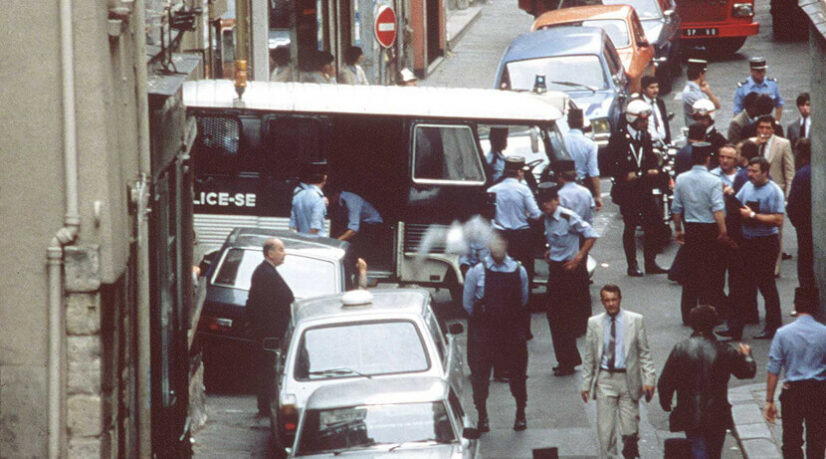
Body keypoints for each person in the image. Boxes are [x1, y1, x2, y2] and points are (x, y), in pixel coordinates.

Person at [658, 305, 756, 459]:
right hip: (717, 413)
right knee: (713, 451)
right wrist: (747, 356)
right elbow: (746, 372)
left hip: (689, 410)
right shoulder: (724, 350)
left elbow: (666, 380)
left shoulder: (680, 349)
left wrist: (666, 401)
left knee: (696, 445)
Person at [462, 235, 530, 432]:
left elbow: (523, 300)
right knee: (480, 376)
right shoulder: (477, 272)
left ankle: (520, 413)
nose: (498, 248)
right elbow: (467, 304)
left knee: (518, 374)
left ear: (506, 245)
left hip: (511, 331)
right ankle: (482, 415)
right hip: (486, 332)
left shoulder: (519, 271)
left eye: (502, 243)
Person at [581, 284, 656, 459]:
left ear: (620, 299)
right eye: (607, 300)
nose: (611, 304)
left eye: (614, 299)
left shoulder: (635, 320)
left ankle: (630, 453)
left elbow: (645, 353)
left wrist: (650, 380)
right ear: (602, 302)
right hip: (605, 380)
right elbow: (589, 356)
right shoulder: (594, 323)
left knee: (630, 431)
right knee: (605, 432)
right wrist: (586, 383)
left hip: (628, 379)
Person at [540, 182, 598, 376]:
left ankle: (568, 361)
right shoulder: (546, 219)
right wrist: (550, 251)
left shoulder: (568, 216)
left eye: (548, 202)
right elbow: (554, 240)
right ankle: (566, 359)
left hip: (570, 270)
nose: (545, 206)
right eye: (542, 203)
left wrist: (579, 258)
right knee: (554, 316)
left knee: (564, 316)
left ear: (556, 200)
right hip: (556, 269)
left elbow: (591, 235)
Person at [607, 99, 668, 276]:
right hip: (627, 191)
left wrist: (653, 170)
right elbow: (615, 166)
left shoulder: (645, 136)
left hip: (643, 188)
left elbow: (648, 158)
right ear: (633, 120)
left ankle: (650, 261)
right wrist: (630, 174)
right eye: (642, 119)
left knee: (654, 223)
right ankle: (632, 264)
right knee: (630, 226)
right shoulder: (618, 138)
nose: (645, 122)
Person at [671, 142, 729, 325]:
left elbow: (676, 207)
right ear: (707, 159)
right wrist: (723, 231)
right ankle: (709, 314)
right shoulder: (714, 181)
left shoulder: (681, 179)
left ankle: (687, 314)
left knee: (691, 274)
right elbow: (717, 209)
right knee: (711, 274)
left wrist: (678, 229)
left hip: (692, 229)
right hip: (710, 229)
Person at [763, 294, 826, 459]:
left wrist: (769, 400)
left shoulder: (783, 333)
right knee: (817, 439)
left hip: (793, 392)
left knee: (791, 439)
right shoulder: (824, 332)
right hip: (818, 391)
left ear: (795, 308)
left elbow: (773, 368)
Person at [735, 156, 785, 339]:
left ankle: (773, 325)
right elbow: (737, 202)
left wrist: (754, 216)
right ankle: (738, 325)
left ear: (765, 172)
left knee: (766, 285)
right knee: (743, 284)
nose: (750, 175)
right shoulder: (747, 186)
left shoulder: (774, 191)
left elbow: (778, 219)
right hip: (748, 241)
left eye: (755, 171)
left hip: (765, 243)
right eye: (749, 170)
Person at [245, 238, 295, 415]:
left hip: (269, 330)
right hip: (269, 332)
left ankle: (265, 405)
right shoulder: (265, 273)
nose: (284, 253)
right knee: (267, 369)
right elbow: (284, 298)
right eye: (281, 249)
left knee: (268, 368)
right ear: (270, 253)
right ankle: (265, 406)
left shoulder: (266, 271)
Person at [488, 156, 543, 286]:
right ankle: (525, 301)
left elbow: (488, 216)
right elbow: (536, 215)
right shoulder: (523, 189)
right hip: (521, 237)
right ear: (519, 172)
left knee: (499, 272)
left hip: (500, 236)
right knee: (525, 272)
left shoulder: (492, 190)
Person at [751, 114, 794, 275]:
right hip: (755, 192)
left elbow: (790, 173)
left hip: (776, 192)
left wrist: (787, 197)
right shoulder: (753, 143)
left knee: (776, 232)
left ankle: (774, 267)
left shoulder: (783, 144)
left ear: (773, 129)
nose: (764, 131)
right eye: (761, 128)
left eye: (767, 128)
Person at [786, 138, 815, 314]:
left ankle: (806, 304)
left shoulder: (802, 175)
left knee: (805, 266)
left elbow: (793, 206)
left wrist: (800, 224)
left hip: (805, 228)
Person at [564, 108, 603, 208]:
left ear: (568, 122)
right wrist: (598, 196)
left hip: (563, 186)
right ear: (582, 123)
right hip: (583, 185)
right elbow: (593, 171)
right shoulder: (589, 144)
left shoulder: (561, 142)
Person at [330, 189, 383, 261]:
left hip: (372, 224)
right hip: (361, 223)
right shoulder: (341, 200)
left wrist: (336, 242)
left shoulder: (351, 201)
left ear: (335, 195)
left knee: (358, 251)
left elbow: (353, 230)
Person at [681, 59, 721, 127]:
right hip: (696, 130)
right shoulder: (690, 92)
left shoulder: (699, 89)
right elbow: (713, 107)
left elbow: (717, 105)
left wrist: (708, 92)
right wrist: (708, 93)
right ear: (700, 74)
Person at [556, 159, 595, 225]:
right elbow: (592, 208)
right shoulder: (586, 191)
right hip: (587, 228)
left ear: (560, 176)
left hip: (570, 232)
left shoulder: (560, 194)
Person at [690, 99, 728, 167]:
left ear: (710, 119)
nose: (699, 122)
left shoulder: (719, 140)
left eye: (703, 119)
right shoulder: (692, 135)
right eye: (697, 119)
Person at [290, 169, 328, 237]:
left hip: (301, 238)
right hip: (317, 240)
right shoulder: (318, 198)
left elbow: (292, 225)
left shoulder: (298, 195)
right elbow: (315, 226)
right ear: (324, 181)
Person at [641, 75, 671, 146]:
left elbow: (664, 122)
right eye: (652, 88)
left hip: (663, 143)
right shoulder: (640, 104)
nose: (656, 90)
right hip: (649, 145)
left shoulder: (659, 102)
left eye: (657, 87)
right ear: (643, 89)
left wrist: (668, 141)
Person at [785, 92, 811, 161]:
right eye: (802, 105)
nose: (805, 108)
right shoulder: (792, 126)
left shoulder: (818, 125)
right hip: (798, 161)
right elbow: (789, 148)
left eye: (808, 105)